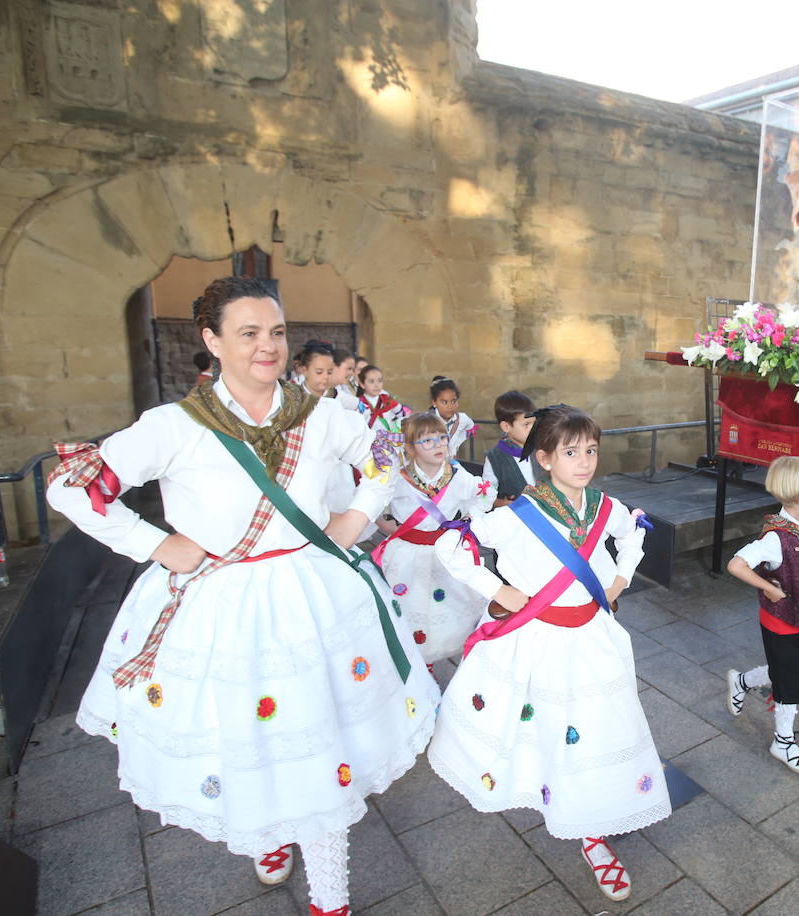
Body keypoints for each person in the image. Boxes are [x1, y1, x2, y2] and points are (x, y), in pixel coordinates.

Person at [46, 276, 439, 916]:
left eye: (277, 332)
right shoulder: (174, 426)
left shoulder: (318, 413)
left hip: (312, 593)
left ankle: (330, 898)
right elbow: (71, 488)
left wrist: (359, 515)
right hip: (221, 606)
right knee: (250, 738)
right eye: (249, 333)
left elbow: (387, 448)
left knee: (320, 741)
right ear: (212, 340)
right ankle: (267, 830)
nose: (268, 347)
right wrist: (156, 544)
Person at [428, 405, 668, 903]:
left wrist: (621, 578)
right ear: (543, 457)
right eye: (571, 452)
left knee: (596, 729)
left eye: (591, 451)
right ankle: (551, 796)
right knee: (543, 729)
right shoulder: (516, 514)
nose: (584, 462)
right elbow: (453, 543)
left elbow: (635, 532)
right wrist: (498, 589)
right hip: (537, 642)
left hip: (592, 639)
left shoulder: (605, 507)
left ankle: (592, 833)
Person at [724, 456, 799, 776]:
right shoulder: (775, 537)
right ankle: (782, 742)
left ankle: (741, 681)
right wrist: (768, 588)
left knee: (787, 668)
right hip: (781, 619)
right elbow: (736, 564)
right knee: (791, 680)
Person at [370, 411, 496, 667]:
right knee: (409, 606)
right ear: (410, 448)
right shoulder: (398, 478)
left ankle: (460, 651)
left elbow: (483, 494)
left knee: (453, 606)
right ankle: (418, 662)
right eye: (427, 441)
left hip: (446, 551)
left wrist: (469, 519)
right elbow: (375, 504)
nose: (438, 445)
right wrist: (387, 526)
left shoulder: (458, 476)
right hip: (407, 552)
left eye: (441, 438)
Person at [483, 390, 536, 505]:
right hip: (513, 520)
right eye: (526, 424)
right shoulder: (494, 458)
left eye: (534, 423)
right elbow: (484, 497)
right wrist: (502, 503)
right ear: (506, 426)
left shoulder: (540, 449)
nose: (533, 429)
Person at [430, 375, 476, 456]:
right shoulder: (426, 422)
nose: (449, 406)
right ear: (434, 402)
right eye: (444, 402)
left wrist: (458, 442)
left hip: (451, 463)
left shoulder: (462, 419)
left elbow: (471, 427)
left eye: (453, 401)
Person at [356, 364, 408, 433]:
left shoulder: (387, 400)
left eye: (380, 381)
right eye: (371, 381)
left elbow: (403, 413)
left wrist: (396, 428)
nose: (376, 385)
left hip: (388, 440)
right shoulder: (359, 403)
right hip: (368, 441)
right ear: (362, 384)